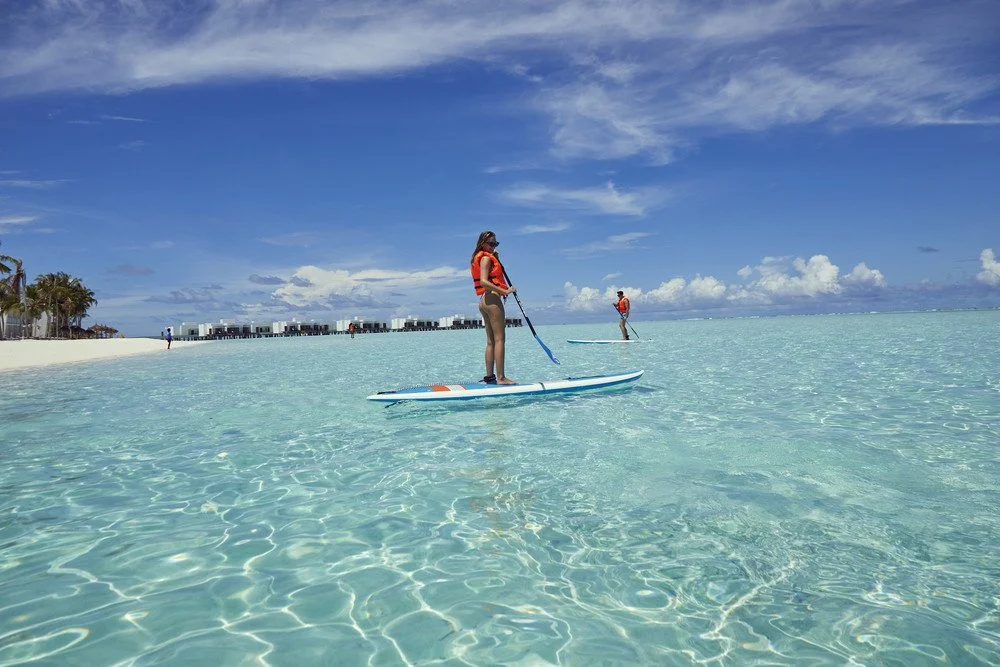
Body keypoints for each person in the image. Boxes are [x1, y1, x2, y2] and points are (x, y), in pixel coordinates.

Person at [472, 230, 516, 384]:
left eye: (495, 244)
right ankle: (501, 377)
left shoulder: (487, 258)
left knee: (491, 341)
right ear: (482, 244)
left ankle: (490, 377)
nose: (493, 246)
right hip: (492, 300)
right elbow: (483, 281)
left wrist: (496, 258)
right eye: (490, 244)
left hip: (484, 300)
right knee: (500, 340)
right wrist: (505, 291)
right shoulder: (485, 259)